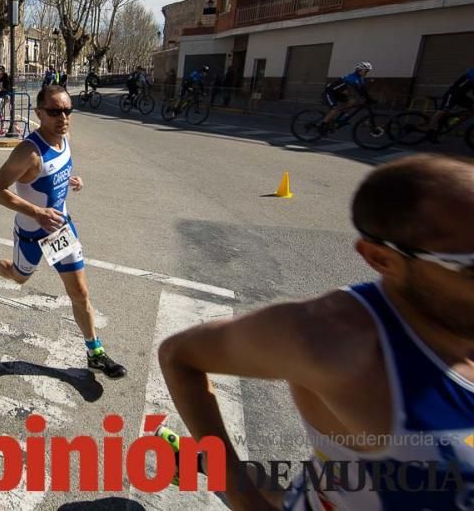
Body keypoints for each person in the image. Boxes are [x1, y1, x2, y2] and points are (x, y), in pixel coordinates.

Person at [159, 155, 474, 510]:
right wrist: (244, 500)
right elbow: (180, 356)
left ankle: (191, 461)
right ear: (383, 259)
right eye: (470, 266)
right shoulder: (333, 337)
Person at [0, 85, 127, 379]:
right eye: (55, 111)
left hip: (60, 230)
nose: (63, 117)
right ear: (39, 113)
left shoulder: (64, 138)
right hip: (31, 233)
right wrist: (38, 213)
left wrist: (72, 179)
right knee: (20, 278)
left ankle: (94, 351)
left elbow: (57, 171)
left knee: (80, 292)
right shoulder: (28, 153)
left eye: (67, 110)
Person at [423, 67, 474, 139]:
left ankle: (452, 122)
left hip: (461, 96)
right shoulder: (471, 74)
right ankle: (429, 132)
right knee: (442, 111)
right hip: (452, 94)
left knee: (472, 109)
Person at [322, 61, 372, 127]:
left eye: (367, 71)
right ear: (360, 70)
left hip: (338, 93)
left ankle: (340, 118)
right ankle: (322, 125)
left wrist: (369, 98)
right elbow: (358, 90)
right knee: (334, 109)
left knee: (353, 101)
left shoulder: (359, 78)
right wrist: (368, 98)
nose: (366, 73)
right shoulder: (352, 77)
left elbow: (363, 89)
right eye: (366, 71)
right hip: (329, 92)